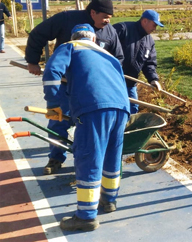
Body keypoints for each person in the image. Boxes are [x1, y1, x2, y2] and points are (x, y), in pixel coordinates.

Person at [42, 23, 129, 231]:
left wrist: (53, 105)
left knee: (89, 157)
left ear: (74, 37)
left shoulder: (70, 46)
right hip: (121, 107)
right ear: (93, 39)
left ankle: (86, 216)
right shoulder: (107, 55)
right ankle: (108, 200)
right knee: (112, 155)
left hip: (94, 109)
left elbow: (52, 73)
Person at [25, 0, 124, 175]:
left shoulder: (109, 32)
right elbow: (39, 33)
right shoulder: (67, 19)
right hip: (63, 85)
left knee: (89, 126)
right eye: (105, 16)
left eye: (110, 17)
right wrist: (32, 61)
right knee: (57, 121)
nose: (108, 21)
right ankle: (55, 157)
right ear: (92, 12)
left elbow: (118, 58)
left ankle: (91, 161)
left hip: (91, 91)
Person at [114, 10, 163, 114]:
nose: (155, 29)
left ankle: (128, 130)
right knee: (114, 109)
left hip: (130, 83)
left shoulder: (149, 41)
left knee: (133, 109)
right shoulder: (122, 29)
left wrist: (153, 79)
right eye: (154, 25)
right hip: (113, 81)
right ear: (145, 21)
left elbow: (149, 63)